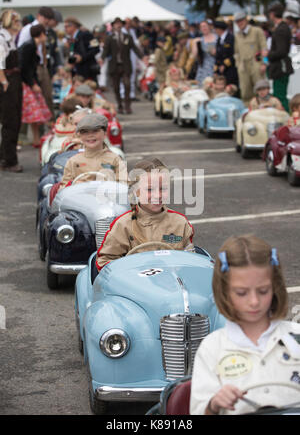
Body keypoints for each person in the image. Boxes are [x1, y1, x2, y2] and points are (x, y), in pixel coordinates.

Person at [190, 234, 300, 415]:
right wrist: (214, 404)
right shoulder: (212, 348)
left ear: (276, 287)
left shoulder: (296, 337)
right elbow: (198, 412)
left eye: (263, 291)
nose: (254, 301)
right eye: (242, 293)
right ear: (224, 292)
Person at [95, 157, 194, 271]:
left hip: (171, 284)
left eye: (163, 188)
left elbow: (190, 261)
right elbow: (104, 263)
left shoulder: (180, 223)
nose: (157, 195)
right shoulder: (123, 225)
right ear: (136, 191)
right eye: (150, 189)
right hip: (133, 285)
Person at [59, 113, 127, 190]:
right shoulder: (73, 161)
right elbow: (63, 189)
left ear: (105, 134)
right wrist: (73, 184)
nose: (90, 135)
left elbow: (124, 185)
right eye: (85, 132)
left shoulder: (115, 159)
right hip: (80, 199)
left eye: (95, 131)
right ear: (79, 136)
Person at [17, 6, 55, 120]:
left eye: (49, 19)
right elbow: (22, 52)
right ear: (39, 16)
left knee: (46, 96)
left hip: (42, 65)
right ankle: (28, 130)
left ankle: (46, 124)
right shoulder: (28, 29)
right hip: (31, 67)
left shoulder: (46, 30)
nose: (47, 21)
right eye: (45, 18)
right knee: (31, 100)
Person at [100, 17, 143, 114]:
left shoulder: (128, 37)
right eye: (116, 24)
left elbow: (135, 48)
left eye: (120, 24)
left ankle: (127, 105)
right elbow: (106, 50)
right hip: (115, 66)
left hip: (125, 65)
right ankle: (119, 105)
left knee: (127, 84)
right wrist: (102, 58)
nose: (118, 25)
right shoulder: (110, 38)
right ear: (113, 26)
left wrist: (142, 57)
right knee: (116, 87)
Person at [18, 24, 52, 147]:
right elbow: (25, 67)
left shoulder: (32, 45)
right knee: (33, 112)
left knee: (34, 113)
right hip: (26, 83)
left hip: (28, 82)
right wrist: (32, 84)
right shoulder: (30, 46)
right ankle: (34, 138)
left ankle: (36, 139)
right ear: (41, 34)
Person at [0, 9, 23, 173]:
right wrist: (4, 81)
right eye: (16, 21)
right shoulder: (2, 39)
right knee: (10, 121)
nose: (19, 24)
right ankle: (8, 160)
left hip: (14, 80)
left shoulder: (10, 38)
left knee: (14, 120)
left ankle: (7, 156)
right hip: (7, 83)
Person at [263, 3, 294, 113]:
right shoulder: (283, 28)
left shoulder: (281, 29)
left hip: (281, 67)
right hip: (280, 66)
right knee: (279, 95)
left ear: (272, 14)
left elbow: (281, 51)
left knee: (280, 96)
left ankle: (285, 119)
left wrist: (268, 54)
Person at [233, 11, 267, 105]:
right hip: (243, 66)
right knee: (245, 92)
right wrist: (238, 65)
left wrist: (264, 63)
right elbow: (236, 53)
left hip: (256, 63)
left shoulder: (257, 31)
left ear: (246, 20)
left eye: (241, 21)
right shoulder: (237, 35)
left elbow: (264, 49)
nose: (239, 23)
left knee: (261, 89)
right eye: (237, 21)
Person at [64, 16, 100, 81]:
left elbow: (96, 48)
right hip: (76, 71)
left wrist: (82, 57)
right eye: (65, 27)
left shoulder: (87, 34)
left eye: (67, 26)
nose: (65, 29)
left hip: (87, 70)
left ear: (74, 26)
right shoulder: (71, 39)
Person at [191, 21, 217, 86]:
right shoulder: (199, 40)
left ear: (209, 27)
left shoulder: (216, 38)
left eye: (205, 26)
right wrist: (194, 44)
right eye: (201, 27)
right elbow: (194, 55)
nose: (203, 28)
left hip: (215, 64)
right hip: (203, 65)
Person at [213, 20, 238, 87]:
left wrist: (224, 65)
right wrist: (216, 70)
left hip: (230, 69)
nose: (215, 31)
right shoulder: (219, 39)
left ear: (219, 29)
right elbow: (218, 56)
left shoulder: (231, 38)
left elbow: (235, 54)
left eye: (215, 29)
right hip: (221, 71)